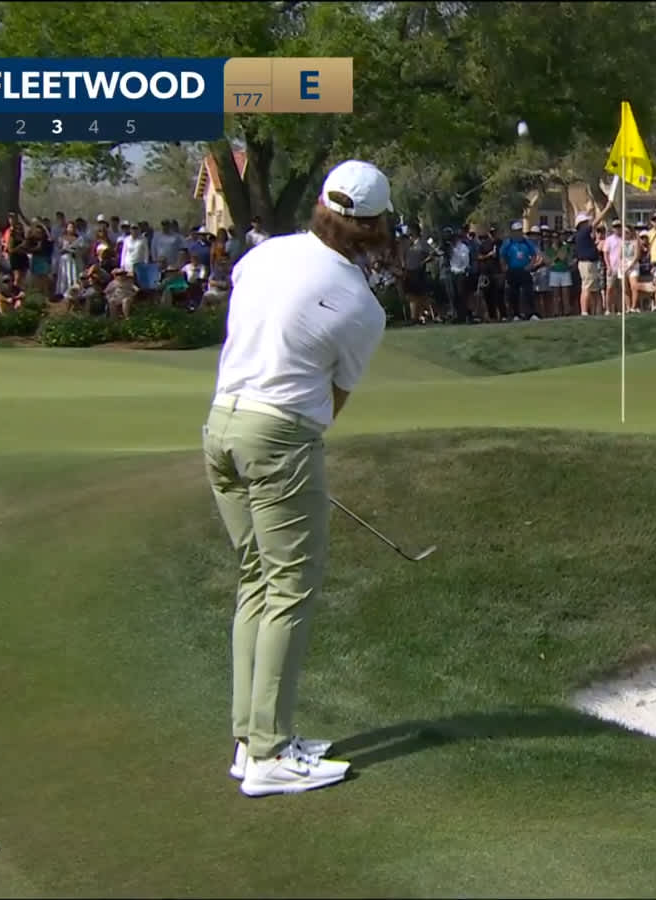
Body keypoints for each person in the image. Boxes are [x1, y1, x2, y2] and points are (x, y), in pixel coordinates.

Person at [204, 159, 390, 798]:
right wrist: (292, 452)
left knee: (256, 580)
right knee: (291, 587)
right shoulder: (362, 306)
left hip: (221, 426)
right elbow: (332, 401)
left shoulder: (263, 255)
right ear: (372, 226)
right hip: (278, 435)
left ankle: (250, 738)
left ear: (321, 204)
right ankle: (271, 755)